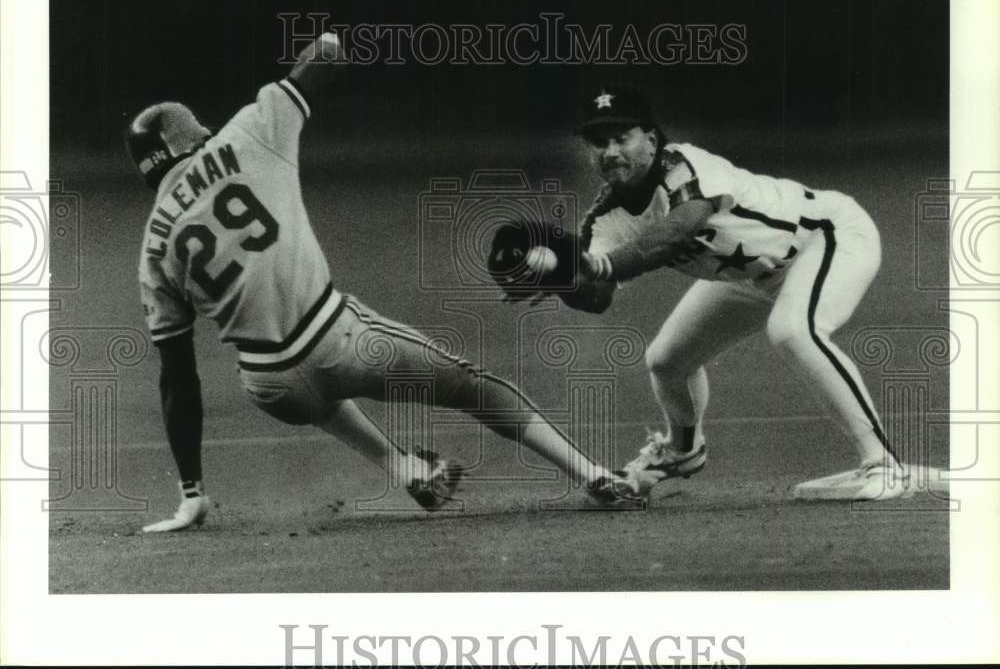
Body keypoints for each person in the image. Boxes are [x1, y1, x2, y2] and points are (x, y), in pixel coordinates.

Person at [126, 34, 636, 533]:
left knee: (317, 398)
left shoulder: (153, 247)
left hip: (270, 386)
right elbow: (325, 57)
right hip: (340, 341)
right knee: (476, 388)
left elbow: (177, 380)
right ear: (198, 134)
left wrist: (191, 490)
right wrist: (328, 37)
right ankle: (593, 476)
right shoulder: (248, 132)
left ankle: (411, 472)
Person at [556, 85, 908, 501]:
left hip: (824, 235)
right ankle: (681, 452)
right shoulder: (605, 217)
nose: (610, 151)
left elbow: (677, 230)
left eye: (622, 138)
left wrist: (599, 265)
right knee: (667, 361)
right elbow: (596, 295)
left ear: (650, 140)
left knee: (795, 331)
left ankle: (883, 466)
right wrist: (556, 277)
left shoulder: (683, 166)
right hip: (752, 276)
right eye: (599, 142)